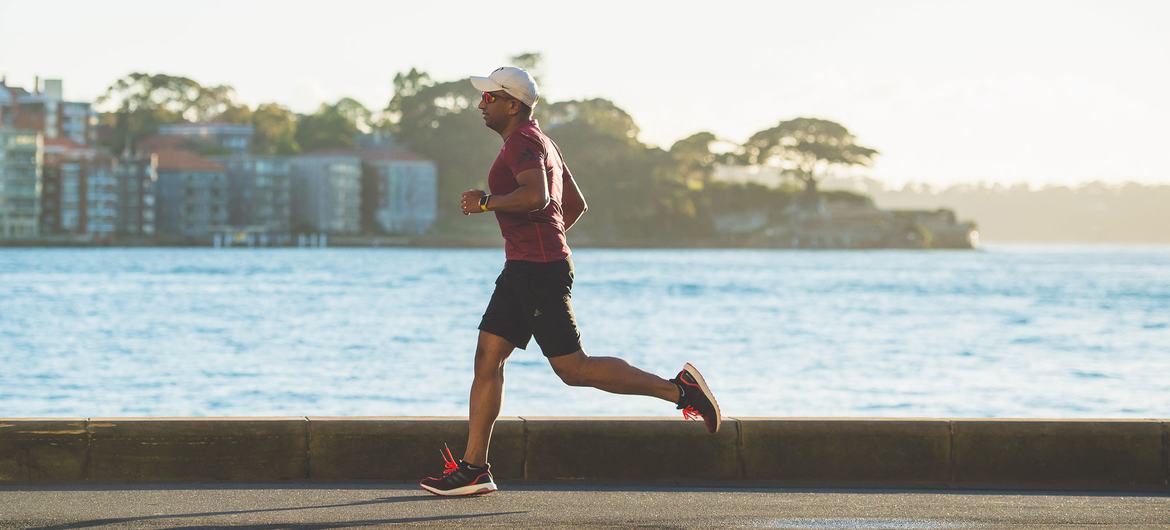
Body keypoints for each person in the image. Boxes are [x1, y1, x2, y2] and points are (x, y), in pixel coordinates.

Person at [419, 67, 721, 496]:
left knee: (573, 369)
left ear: (512, 103)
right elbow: (573, 204)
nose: (481, 104)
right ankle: (474, 468)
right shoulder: (542, 142)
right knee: (488, 357)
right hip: (528, 267)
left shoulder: (524, 143)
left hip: (536, 271)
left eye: (489, 97)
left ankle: (680, 391)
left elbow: (539, 197)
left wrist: (488, 203)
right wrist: (545, 241)